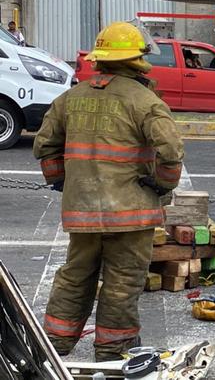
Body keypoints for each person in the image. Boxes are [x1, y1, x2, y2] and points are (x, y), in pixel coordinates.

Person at [32, 21, 184, 361]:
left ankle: (52, 348)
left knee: (74, 277)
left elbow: (45, 146)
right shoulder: (145, 100)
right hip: (131, 215)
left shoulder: (70, 98)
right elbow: (171, 151)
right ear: (137, 58)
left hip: (81, 212)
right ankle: (113, 352)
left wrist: (62, 182)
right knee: (121, 284)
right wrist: (162, 183)